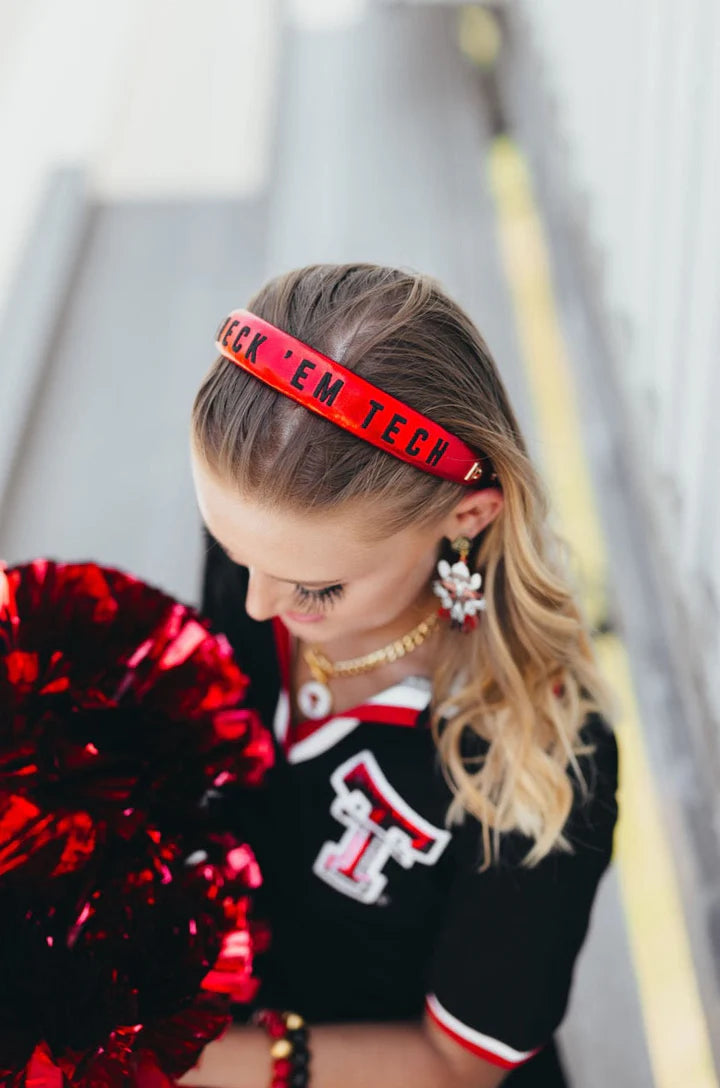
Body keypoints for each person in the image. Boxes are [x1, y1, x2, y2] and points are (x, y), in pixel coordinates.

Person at [181, 263, 619, 1088]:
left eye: (314, 586)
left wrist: (176, 1067)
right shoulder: (274, 559)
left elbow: (455, 1065)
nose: (258, 603)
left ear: (466, 515)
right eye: (232, 549)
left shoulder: (535, 758)